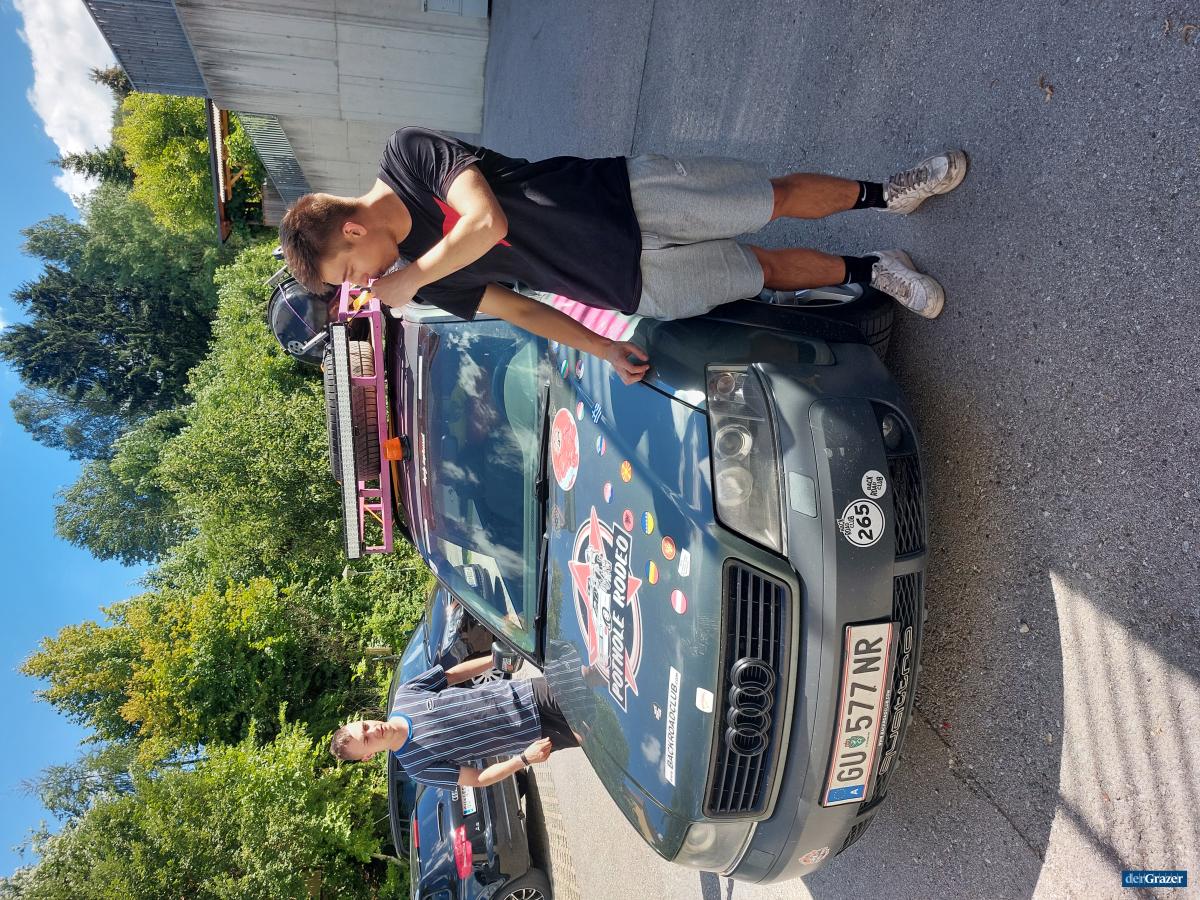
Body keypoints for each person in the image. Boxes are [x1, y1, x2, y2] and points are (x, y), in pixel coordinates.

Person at [280, 126, 967, 384]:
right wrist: (602, 348)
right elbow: (519, 309)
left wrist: (413, 280)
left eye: (351, 270)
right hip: (627, 284)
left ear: (350, 231)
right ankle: (874, 269)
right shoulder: (418, 282)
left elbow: (486, 222)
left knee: (771, 197)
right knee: (759, 270)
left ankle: (890, 193)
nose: (367, 280)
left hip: (624, 199)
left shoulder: (408, 157)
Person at [330, 655, 579, 788]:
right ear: (368, 756)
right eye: (367, 739)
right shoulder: (417, 767)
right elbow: (477, 779)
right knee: (593, 731)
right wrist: (523, 759)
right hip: (535, 733)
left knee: (585, 680)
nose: (374, 730)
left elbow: (451, 675)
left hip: (525, 693)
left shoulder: (406, 695)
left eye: (365, 726)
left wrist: (496, 659)